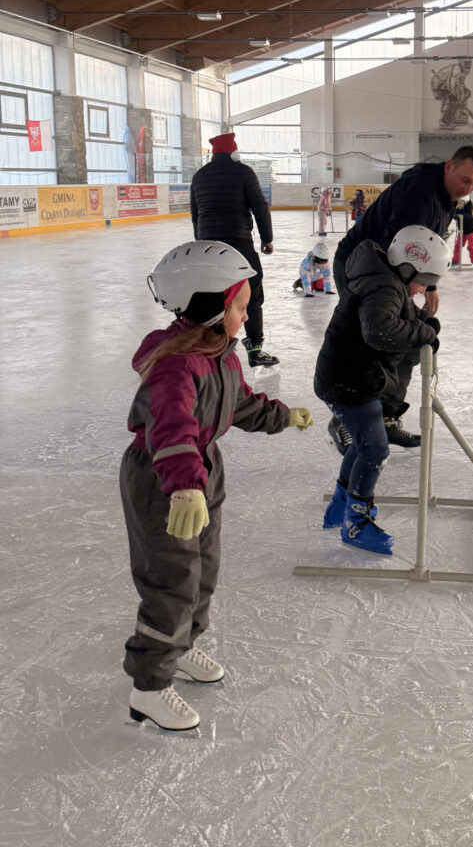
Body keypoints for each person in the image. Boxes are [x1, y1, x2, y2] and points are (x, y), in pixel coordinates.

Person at [121, 241, 313, 731]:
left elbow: (240, 405)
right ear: (208, 307)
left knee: (203, 570)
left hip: (202, 470)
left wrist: (283, 415)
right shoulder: (174, 366)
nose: (246, 318)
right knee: (171, 581)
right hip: (165, 475)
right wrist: (184, 486)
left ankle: (181, 649)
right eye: (240, 307)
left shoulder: (220, 353)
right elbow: (170, 427)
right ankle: (149, 686)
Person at [330, 145, 473, 451]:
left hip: (398, 273)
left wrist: (428, 285)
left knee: (404, 342)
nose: (468, 188)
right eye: (465, 179)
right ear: (449, 165)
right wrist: (424, 285)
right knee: (368, 343)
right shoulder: (421, 193)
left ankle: (386, 417)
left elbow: (427, 247)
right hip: (363, 267)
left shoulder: (447, 195)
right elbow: (400, 245)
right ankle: (346, 417)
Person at [314, 226, 450, 555]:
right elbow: (380, 331)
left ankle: (340, 506)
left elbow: (397, 312)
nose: (422, 290)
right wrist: (422, 334)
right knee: (374, 450)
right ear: (408, 269)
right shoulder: (384, 287)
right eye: (423, 281)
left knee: (362, 445)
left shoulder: (382, 280)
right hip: (351, 383)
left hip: (350, 378)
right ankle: (355, 523)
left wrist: (421, 323)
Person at [190, 132, 279, 368]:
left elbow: (195, 216)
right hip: (239, 243)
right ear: (233, 152)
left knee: (213, 295)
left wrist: (202, 244)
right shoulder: (243, 172)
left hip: (209, 246)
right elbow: (260, 207)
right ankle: (256, 349)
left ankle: (211, 348)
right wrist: (267, 239)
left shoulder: (199, 176)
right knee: (251, 293)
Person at [451, 197, 473, 266]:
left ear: (465, 203)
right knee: (457, 246)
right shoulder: (457, 210)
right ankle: (455, 260)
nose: (460, 204)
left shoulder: (468, 209)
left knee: (471, 246)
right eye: (458, 203)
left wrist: (461, 215)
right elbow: (453, 216)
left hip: (470, 231)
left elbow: (468, 216)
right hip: (462, 231)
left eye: (461, 203)